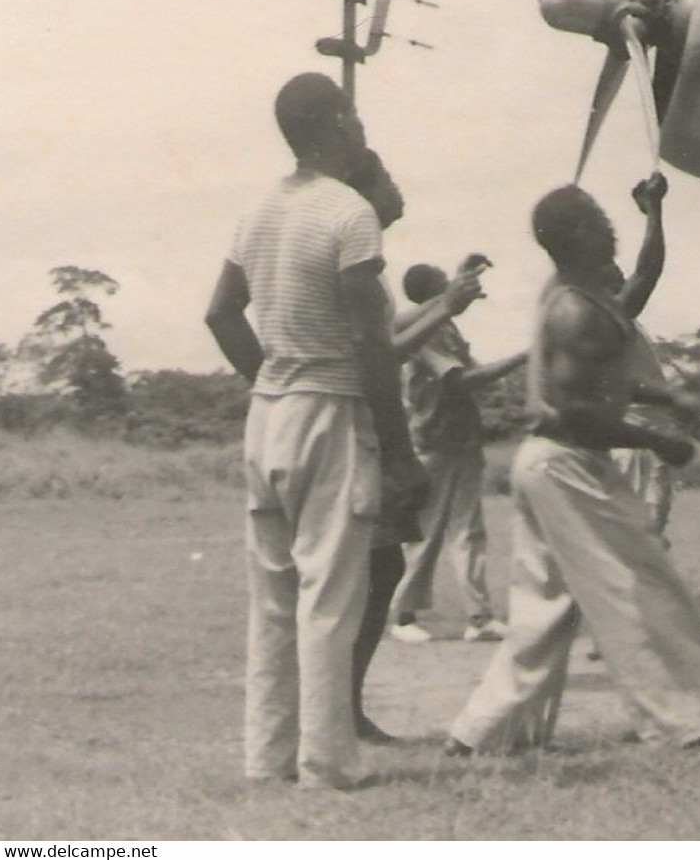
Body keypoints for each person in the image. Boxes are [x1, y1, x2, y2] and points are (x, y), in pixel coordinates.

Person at [444, 178, 700, 755]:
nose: (609, 225)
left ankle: (481, 734)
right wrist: (657, 440)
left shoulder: (586, 300)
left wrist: (669, 400)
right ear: (577, 235)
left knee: (545, 608)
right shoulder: (575, 309)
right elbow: (573, 413)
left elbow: (608, 379)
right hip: (566, 462)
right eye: (599, 218)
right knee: (643, 584)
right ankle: (682, 723)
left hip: (555, 463)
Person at [204, 73, 427, 789]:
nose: (362, 130)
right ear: (335, 121)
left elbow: (220, 314)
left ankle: (266, 762)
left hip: (268, 415)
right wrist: (399, 451)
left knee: (273, 599)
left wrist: (274, 380)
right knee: (331, 595)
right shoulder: (350, 213)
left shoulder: (257, 210)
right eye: (354, 117)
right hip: (330, 412)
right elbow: (373, 344)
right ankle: (326, 764)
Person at [341, 148, 487, 743]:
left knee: (381, 564)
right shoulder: (359, 265)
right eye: (390, 179)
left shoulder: (369, 271)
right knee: (376, 566)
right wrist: (448, 305)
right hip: (358, 432)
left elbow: (393, 334)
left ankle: (342, 707)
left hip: (354, 428)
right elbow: (380, 351)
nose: (399, 188)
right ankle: (341, 708)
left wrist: (447, 298)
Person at [387, 261, 527, 645]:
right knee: (427, 533)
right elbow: (465, 379)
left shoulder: (445, 329)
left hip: (462, 440)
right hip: (435, 442)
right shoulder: (424, 334)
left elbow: (476, 374)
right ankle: (403, 616)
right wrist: (527, 354)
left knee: (470, 532)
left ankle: (479, 618)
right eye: (445, 283)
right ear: (434, 293)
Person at [610, 173, 677, 534]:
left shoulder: (615, 319)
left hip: (642, 440)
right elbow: (647, 272)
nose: (620, 273)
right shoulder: (609, 315)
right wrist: (654, 210)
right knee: (642, 537)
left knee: (643, 535)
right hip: (636, 443)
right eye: (612, 271)